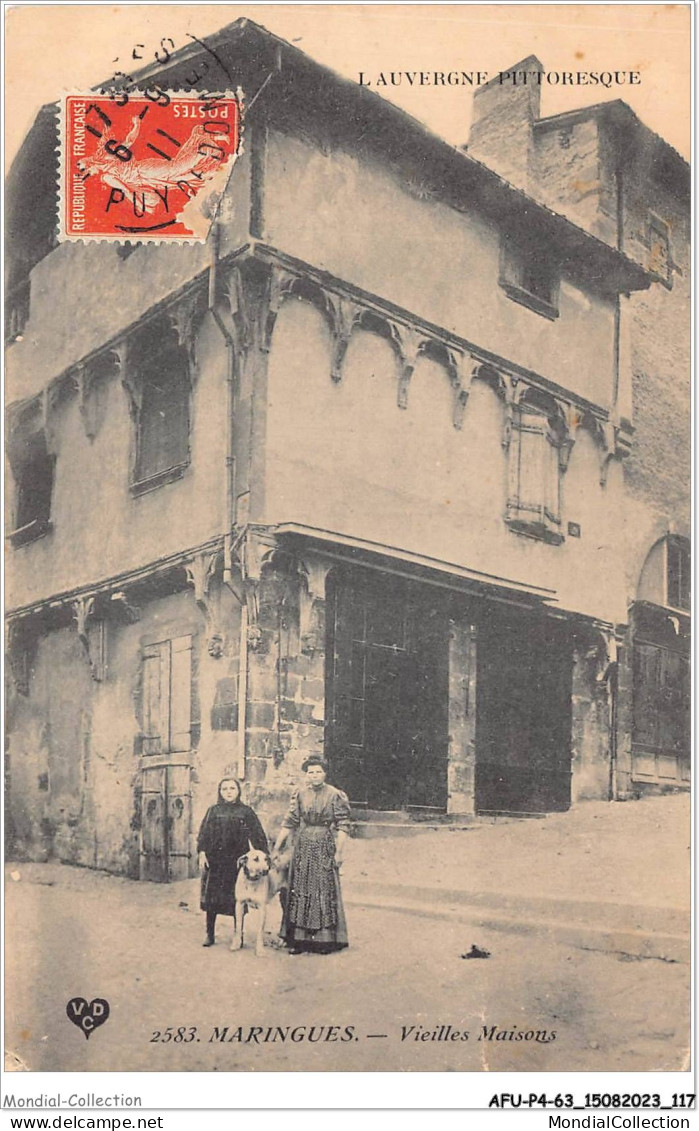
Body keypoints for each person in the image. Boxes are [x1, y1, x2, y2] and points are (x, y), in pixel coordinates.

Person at [273, 756, 351, 954]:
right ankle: (299, 940)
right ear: (306, 774)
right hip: (303, 845)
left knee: (322, 889)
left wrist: (339, 853)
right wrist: (277, 847)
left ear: (325, 773)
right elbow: (289, 822)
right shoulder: (299, 793)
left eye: (318, 771)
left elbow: (343, 826)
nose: (314, 775)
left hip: (324, 844)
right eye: (310, 772)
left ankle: (324, 941)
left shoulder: (335, 795)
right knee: (300, 888)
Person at [197, 778, 269, 947]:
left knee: (237, 899)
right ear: (220, 792)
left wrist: (264, 858)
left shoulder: (246, 812)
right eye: (224, 789)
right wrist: (202, 852)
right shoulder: (213, 811)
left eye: (232, 788)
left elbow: (258, 836)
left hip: (236, 862)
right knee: (211, 898)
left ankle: (238, 935)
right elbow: (203, 833)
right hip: (215, 861)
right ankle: (210, 933)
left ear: (238, 791)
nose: (228, 792)